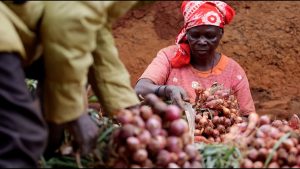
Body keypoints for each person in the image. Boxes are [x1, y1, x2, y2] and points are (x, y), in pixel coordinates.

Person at [0, 1, 140, 167]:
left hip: (20, 30)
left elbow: (95, 36)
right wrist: (74, 114)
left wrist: (127, 108)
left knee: (33, 132)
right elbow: (68, 21)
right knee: (21, 136)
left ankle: (46, 153)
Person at [135, 1, 256, 116]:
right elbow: (140, 89)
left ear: (220, 34)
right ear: (186, 33)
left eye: (210, 36)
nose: (202, 42)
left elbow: (247, 116)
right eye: (195, 35)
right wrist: (167, 90)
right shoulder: (169, 56)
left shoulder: (233, 71)